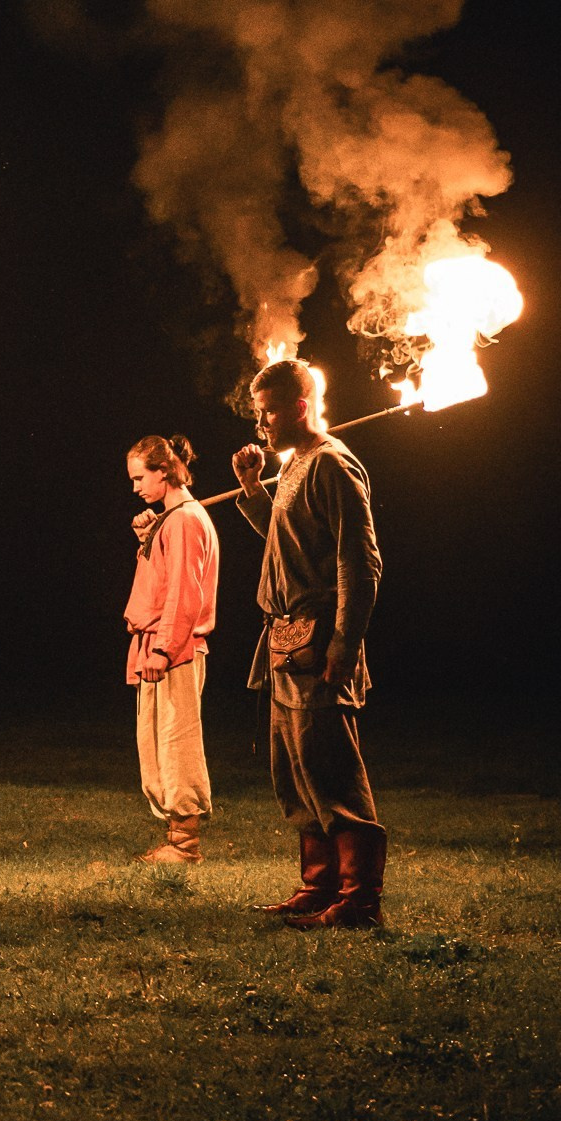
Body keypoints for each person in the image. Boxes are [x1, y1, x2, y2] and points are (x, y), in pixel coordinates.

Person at [232, 355, 386, 929]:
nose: (261, 425)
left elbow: (360, 563)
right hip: (281, 639)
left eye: (268, 413)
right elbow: (288, 542)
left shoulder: (334, 466)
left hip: (320, 640)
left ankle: (359, 899)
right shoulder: (294, 465)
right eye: (258, 414)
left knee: (330, 767)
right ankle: (318, 886)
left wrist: (344, 645)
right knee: (293, 768)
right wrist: (251, 491)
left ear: (300, 406)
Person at [124, 433, 220, 864]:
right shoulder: (174, 518)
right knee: (159, 740)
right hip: (162, 642)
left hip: (176, 645)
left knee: (176, 739)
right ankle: (176, 839)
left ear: (165, 471)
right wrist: (149, 537)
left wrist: (163, 649)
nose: (136, 488)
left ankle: (185, 844)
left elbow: (185, 590)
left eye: (141, 477)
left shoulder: (183, 520)